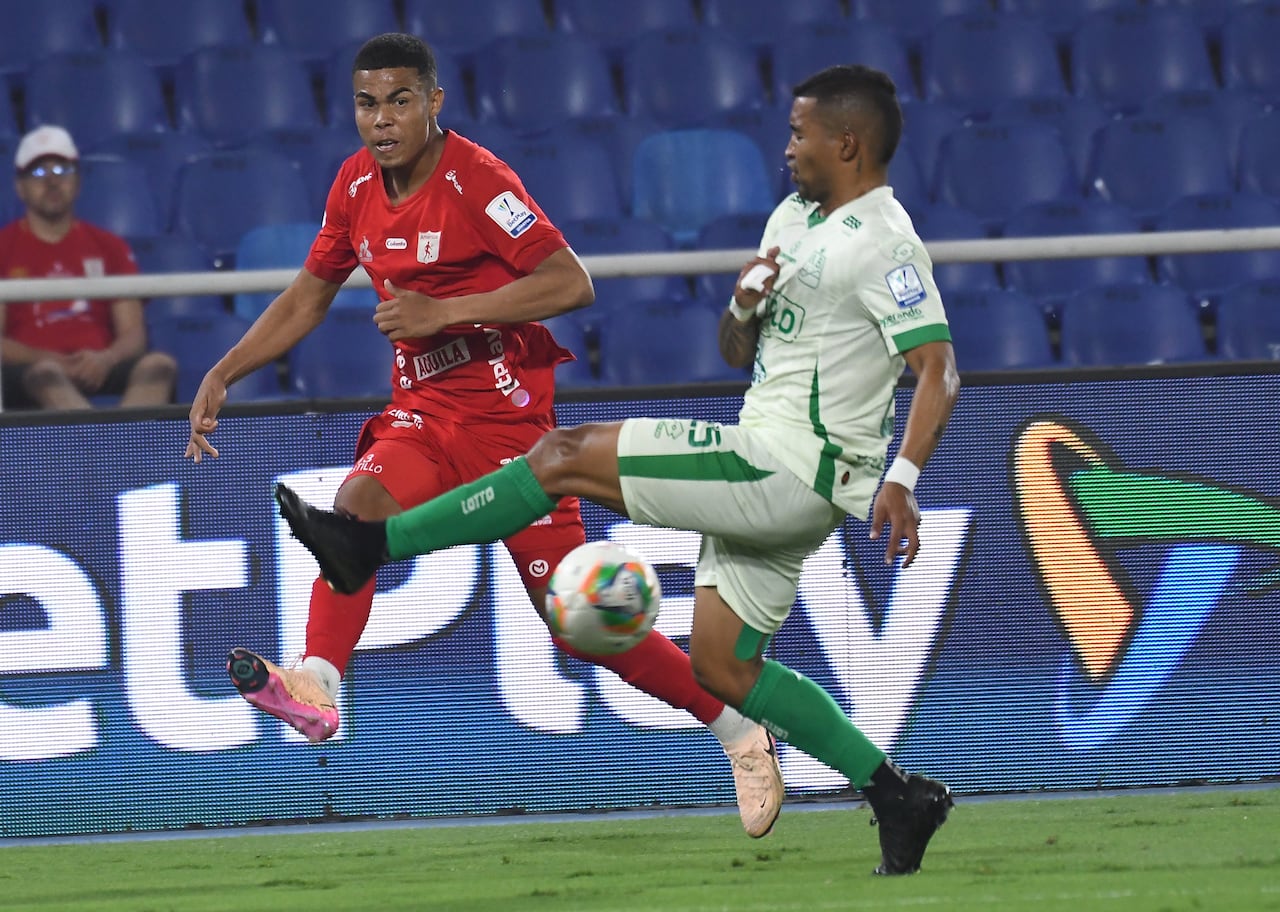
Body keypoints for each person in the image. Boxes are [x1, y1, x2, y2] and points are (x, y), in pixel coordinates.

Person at [273, 63, 961, 876]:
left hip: (788, 466)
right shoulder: (794, 217)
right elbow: (738, 349)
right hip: (772, 456)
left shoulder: (885, 241)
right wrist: (744, 308)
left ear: (846, 143)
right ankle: (897, 796)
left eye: (801, 134)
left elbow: (939, 367)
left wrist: (904, 477)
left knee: (561, 456)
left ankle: (370, 548)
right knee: (723, 666)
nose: (787, 148)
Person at [185, 33, 785, 839]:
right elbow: (307, 295)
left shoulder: (479, 181)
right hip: (425, 415)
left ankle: (740, 734)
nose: (382, 118)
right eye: (367, 103)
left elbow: (571, 281)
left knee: (581, 624)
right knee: (354, 510)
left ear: (435, 103)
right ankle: (319, 683)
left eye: (400, 100)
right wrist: (226, 370)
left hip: (511, 427)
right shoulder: (354, 184)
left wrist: (446, 311)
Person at [0, 125, 176, 410]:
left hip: (100, 363)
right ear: (20, 187)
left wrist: (106, 358)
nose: (52, 182)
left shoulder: (110, 246)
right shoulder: (3, 247)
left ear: (78, 182)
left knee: (159, 365)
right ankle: (101, 452)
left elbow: (133, 333)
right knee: (48, 375)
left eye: (62, 171)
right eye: (39, 173)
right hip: (33, 369)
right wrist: (49, 359)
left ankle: (118, 446)